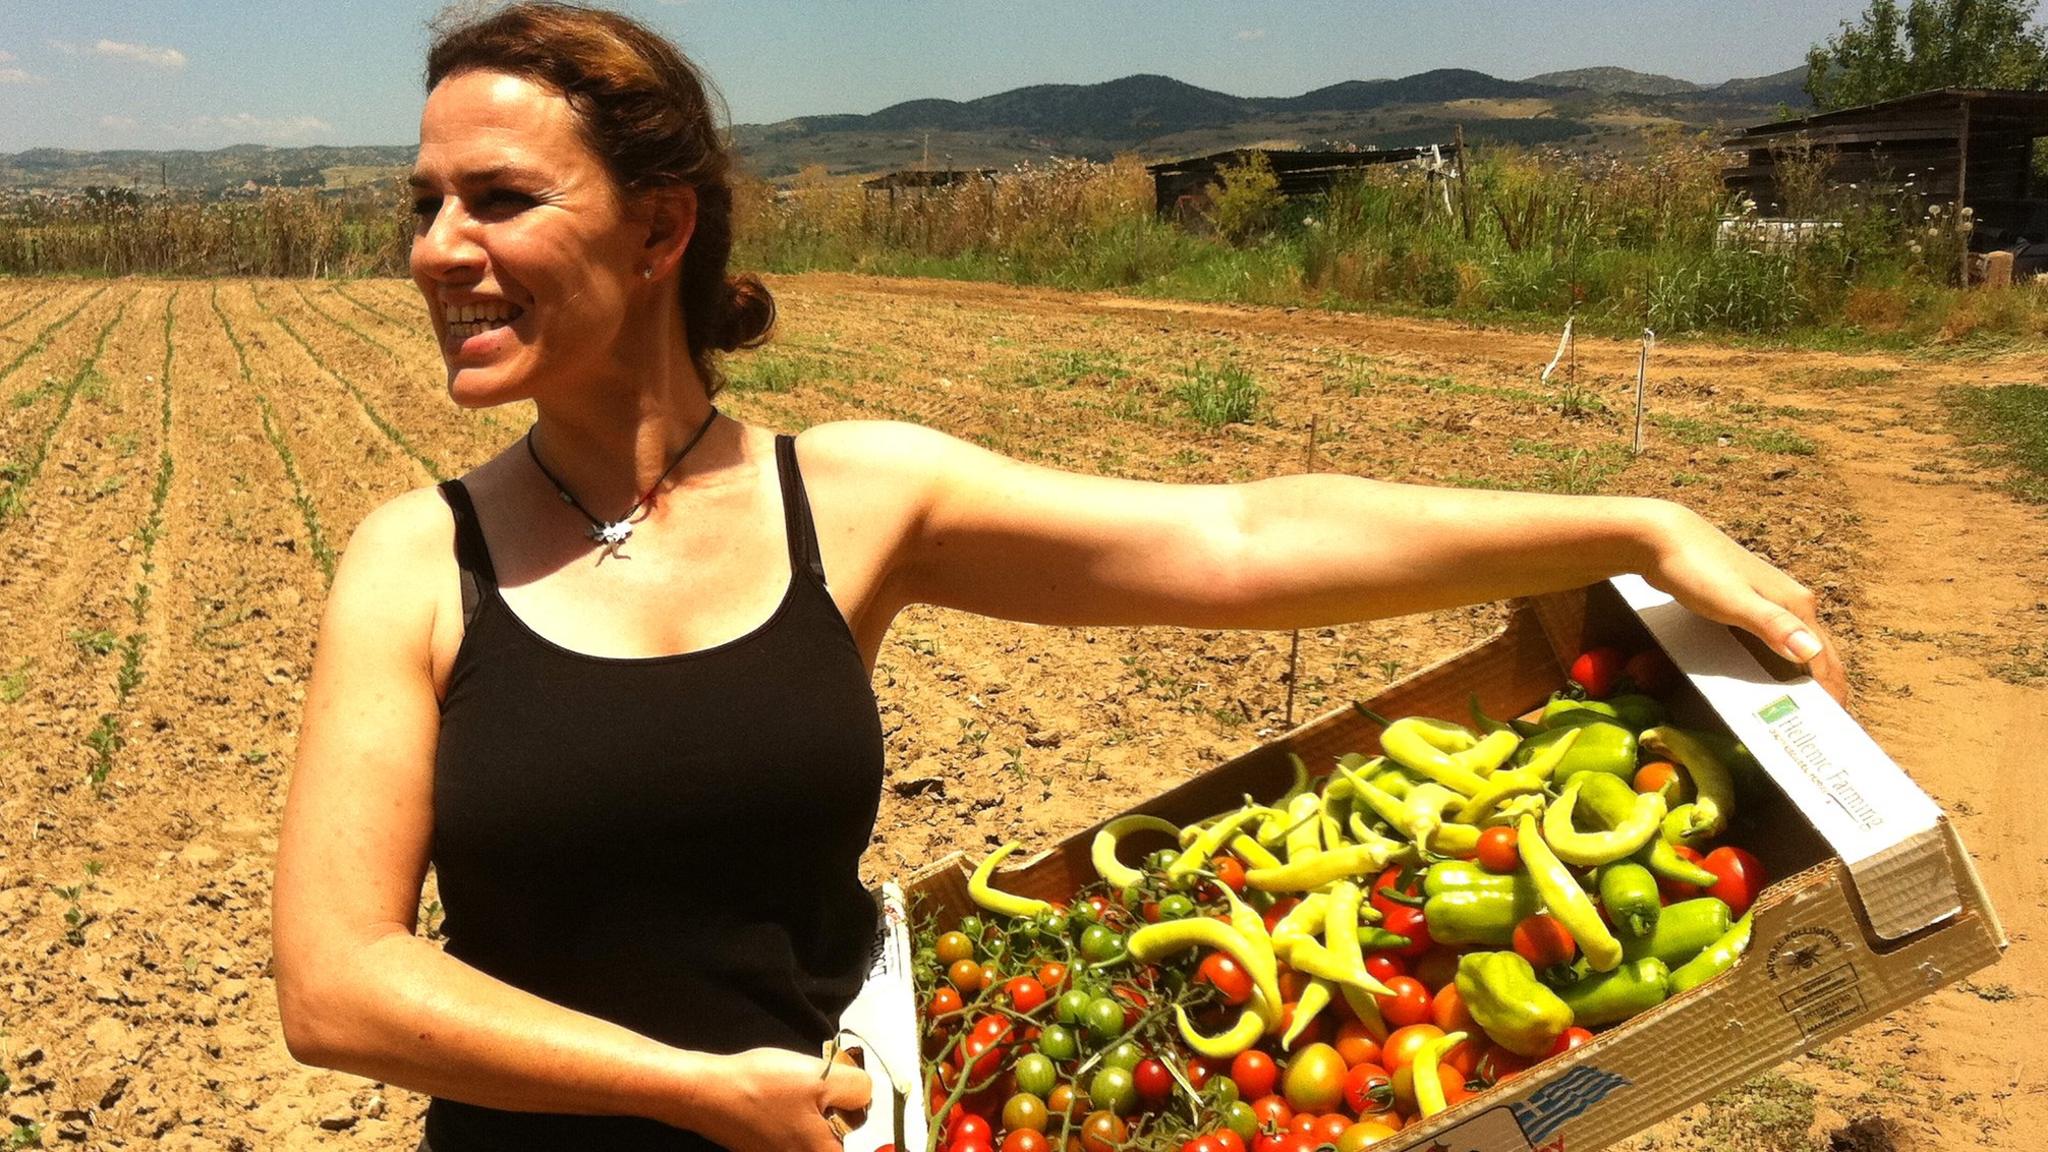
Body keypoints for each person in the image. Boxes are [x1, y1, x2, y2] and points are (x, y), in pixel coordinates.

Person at [269, 4, 1845, 1151]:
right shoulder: (419, 562)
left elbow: (1238, 541)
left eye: (498, 199)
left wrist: (1633, 524)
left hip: (854, 1129)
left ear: (661, 225)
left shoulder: (856, 499)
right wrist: (683, 1088)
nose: (435, 249)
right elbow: (339, 985)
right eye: (426, 205)